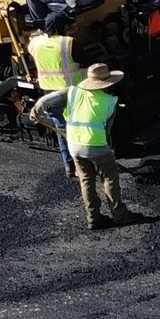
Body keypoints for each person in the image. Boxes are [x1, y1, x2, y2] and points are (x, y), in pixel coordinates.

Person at [33, 64, 129, 229]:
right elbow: (107, 131)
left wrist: (36, 111)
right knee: (109, 178)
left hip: (74, 146)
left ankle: (93, 218)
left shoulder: (73, 91)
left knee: (86, 181)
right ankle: (119, 214)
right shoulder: (110, 101)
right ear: (109, 83)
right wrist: (109, 150)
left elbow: (46, 100)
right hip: (96, 145)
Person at [24, 9, 77, 177]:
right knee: (76, 129)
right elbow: (88, 61)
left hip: (48, 93)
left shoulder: (34, 44)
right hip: (69, 93)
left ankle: (69, 166)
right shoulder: (68, 43)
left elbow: (33, 38)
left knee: (61, 128)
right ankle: (82, 164)